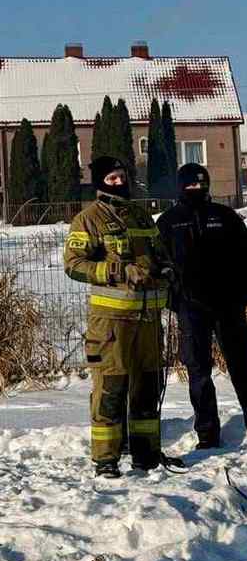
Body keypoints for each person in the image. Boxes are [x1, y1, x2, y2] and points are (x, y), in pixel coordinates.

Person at [64, 155, 181, 477]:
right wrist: (118, 270)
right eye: (112, 178)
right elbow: (74, 265)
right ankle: (106, 460)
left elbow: (160, 255)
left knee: (147, 386)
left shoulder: (142, 216)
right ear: (100, 182)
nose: (120, 182)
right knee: (111, 388)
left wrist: (167, 271)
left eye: (122, 176)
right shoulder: (88, 219)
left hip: (148, 319)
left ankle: (146, 454)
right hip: (111, 322)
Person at [157, 163, 247, 448]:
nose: (197, 189)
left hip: (228, 307)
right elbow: (159, 267)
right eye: (191, 185)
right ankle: (207, 434)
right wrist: (176, 302)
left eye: (202, 184)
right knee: (198, 371)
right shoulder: (168, 222)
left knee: (242, 368)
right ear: (181, 187)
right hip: (190, 308)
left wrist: (241, 298)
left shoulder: (225, 217)